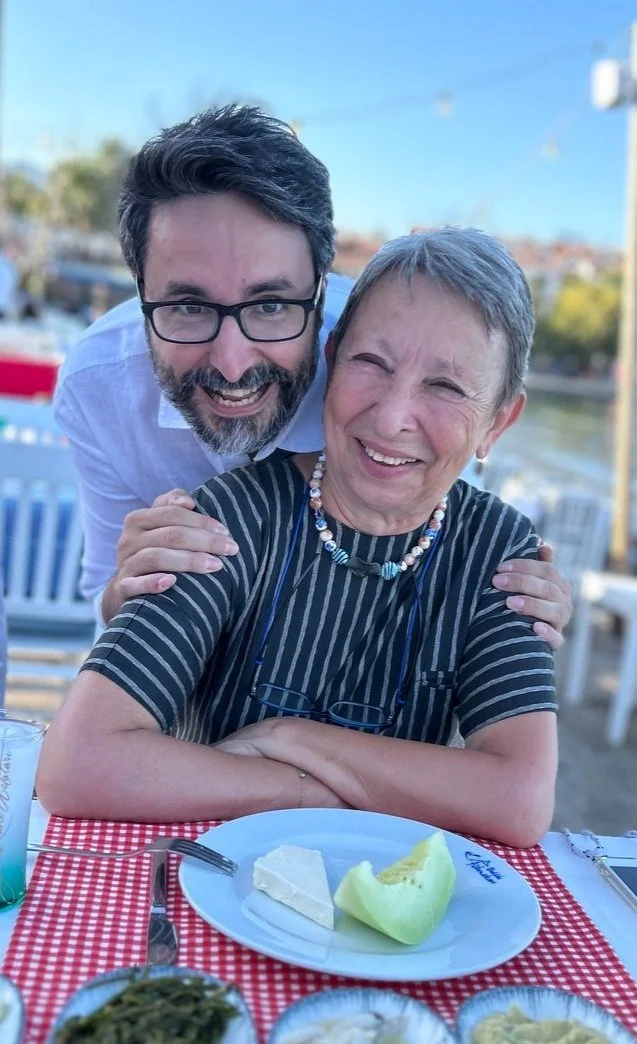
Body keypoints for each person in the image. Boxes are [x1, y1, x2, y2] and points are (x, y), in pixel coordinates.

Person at [39, 228, 558, 848]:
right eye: (372, 363)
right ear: (332, 359)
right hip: (209, 878)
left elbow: (520, 799)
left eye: (445, 387)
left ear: (497, 422)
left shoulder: (498, 555)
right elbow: (78, 763)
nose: (393, 416)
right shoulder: (230, 520)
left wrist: (290, 740)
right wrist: (307, 791)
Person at [53, 105, 571, 646]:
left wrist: (520, 602)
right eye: (188, 307)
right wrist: (126, 588)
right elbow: (105, 596)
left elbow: (443, 555)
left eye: (270, 305)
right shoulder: (96, 388)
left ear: (322, 296)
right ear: (140, 293)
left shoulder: (390, 354)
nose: (232, 364)